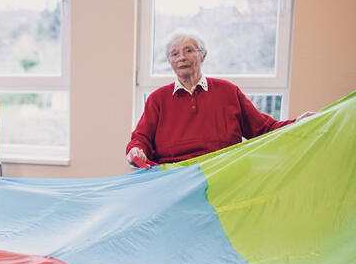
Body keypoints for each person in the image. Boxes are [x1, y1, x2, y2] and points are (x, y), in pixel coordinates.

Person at [126, 30, 315, 166]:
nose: (181, 57)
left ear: (203, 55)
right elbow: (141, 138)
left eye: (189, 50)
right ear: (169, 61)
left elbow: (263, 128)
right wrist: (136, 150)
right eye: (174, 54)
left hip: (223, 175)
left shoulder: (228, 91)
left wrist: (298, 123)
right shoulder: (158, 99)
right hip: (173, 179)